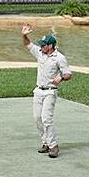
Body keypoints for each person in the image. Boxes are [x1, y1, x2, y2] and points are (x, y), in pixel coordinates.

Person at [21, 23, 72, 158]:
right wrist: (24, 35)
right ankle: (46, 143)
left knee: (46, 119)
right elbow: (28, 45)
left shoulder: (59, 58)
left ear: (50, 46)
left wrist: (61, 78)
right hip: (38, 91)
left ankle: (53, 145)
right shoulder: (40, 53)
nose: (41, 46)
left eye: (44, 45)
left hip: (50, 91)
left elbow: (68, 74)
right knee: (37, 118)